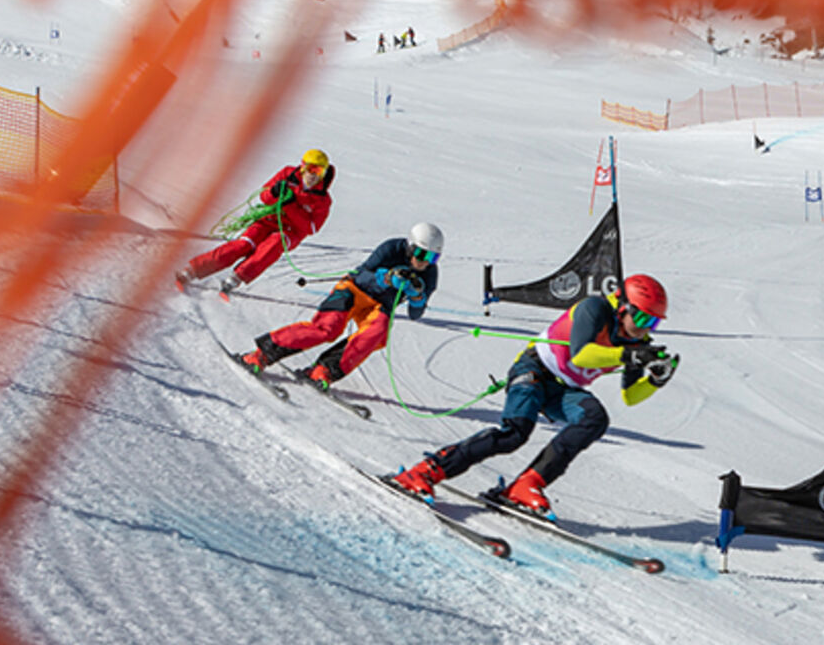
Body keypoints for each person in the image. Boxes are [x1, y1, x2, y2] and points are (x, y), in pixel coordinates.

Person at [389, 274, 678, 513]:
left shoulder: (635, 344)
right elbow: (581, 355)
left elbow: (630, 396)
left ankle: (526, 484)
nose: (644, 330)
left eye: (652, 323)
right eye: (641, 319)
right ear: (623, 306)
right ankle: (427, 470)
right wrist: (630, 356)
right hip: (534, 369)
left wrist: (655, 380)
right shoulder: (596, 309)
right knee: (515, 433)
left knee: (594, 419)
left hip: (563, 388)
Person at [237, 223, 444, 389]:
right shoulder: (391, 249)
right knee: (328, 328)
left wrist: (418, 297)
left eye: (432, 257)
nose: (424, 262)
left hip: (379, 306)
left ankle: (323, 369)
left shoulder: (430, 274)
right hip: (354, 290)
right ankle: (261, 354)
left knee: (376, 334)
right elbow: (362, 275)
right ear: (410, 246)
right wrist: (386, 279)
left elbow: (415, 314)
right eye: (421, 253)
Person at [177, 149, 335, 296]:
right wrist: (273, 192)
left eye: (319, 171)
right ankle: (193, 269)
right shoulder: (288, 174)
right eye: (311, 169)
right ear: (302, 167)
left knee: (273, 244)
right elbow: (264, 196)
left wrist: (290, 205)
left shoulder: (323, 199)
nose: (313, 175)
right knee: (243, 245)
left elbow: (312, 228)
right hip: (267, 221)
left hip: (290, 232)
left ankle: (237, 278)